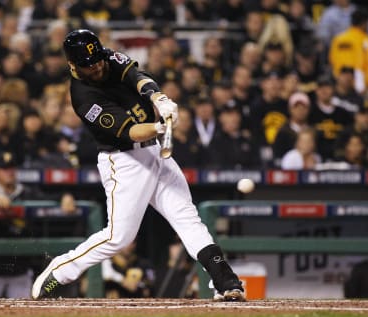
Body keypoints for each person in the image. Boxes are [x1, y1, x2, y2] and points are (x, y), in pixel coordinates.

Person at [31, 29, 245, 301]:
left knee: (187, 218)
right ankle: (59, 272)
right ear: (73, 65)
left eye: (97, 60)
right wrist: (160, 126)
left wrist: (159, 98)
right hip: (124, 161)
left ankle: (226, 281)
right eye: (89, 65)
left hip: (154, 153)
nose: (96, 67)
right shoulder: (83, 97)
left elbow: (137, 77)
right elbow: (130, 132)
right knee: (118, 237)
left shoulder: (106, 57)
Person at [0, 151, 77, 299]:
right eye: (4, 168)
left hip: (20, 271)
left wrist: (65, 196)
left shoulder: (26, 192)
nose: (9, 172)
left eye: (11, 168)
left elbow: (47, 198)